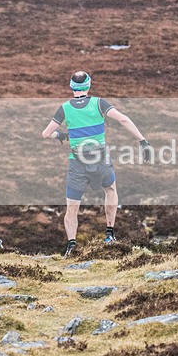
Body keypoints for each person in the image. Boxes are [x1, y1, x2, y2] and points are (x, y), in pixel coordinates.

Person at [41, 71, 152, 257]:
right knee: (110, 190)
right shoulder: (99, 103)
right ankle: (109, 234)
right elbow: (123, 119)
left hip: (77, 163)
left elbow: (46, 134)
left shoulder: (64, 108)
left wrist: (60, 135)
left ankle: (71, 246)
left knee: (72, 206)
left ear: (71, 87)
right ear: (88, 85)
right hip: (100, 159)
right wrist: (143, 141)